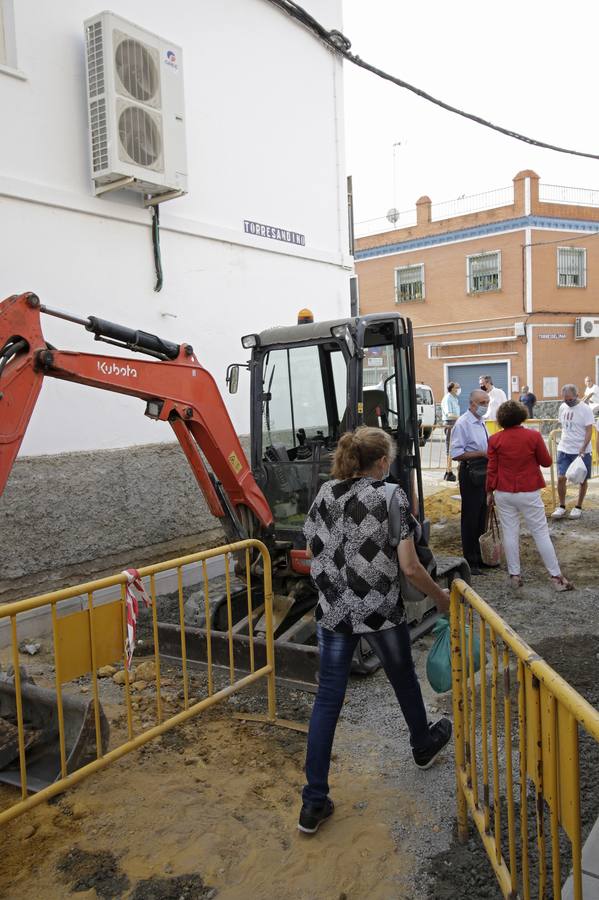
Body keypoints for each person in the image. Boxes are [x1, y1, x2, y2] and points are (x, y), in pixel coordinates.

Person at [298, 427, 452, 835]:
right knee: (403, 680)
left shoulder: (325, 493)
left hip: (334, 612)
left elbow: (312, 544)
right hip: (380, 611)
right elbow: (410, 566)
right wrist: (441, 598)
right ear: (382, 462)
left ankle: (313, 802)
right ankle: (422, 745)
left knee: (327, 701)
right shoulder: (390, 496)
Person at [486, 400, 573, 591]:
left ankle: (514, 576)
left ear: (501, 419)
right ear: (522, 415)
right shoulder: (533, 436)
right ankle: (556, 578)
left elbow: (491, 469)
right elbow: (546, 462)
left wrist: (489, 491)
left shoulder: (494, 440)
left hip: (503, 491)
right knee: (541, 533)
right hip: (528, 490)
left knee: (510, 533)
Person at [450, 389, 490, 576]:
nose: (485, 406)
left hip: (483, 471)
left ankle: (480, 555)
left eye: (487, 402)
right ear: (472, 403)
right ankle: (470, 559)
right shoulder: (463, 423)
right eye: (482, 403)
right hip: (471, 471)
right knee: (471, 517)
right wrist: (482, 454)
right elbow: (457, 453)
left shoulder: (481, 422)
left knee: (482, 514)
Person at [551, 384, 595, 519]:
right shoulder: (563, 407)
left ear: (577, 395)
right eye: (565, 399)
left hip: (582, 451)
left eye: (570, 399)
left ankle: (578, 506)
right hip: (564, 448)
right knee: (561, 478)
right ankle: (562, 506)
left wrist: (583, 446)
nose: (567, 402)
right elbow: (564, 426)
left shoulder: (585, 409)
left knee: (582, 479)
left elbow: (589, 430)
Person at [440, 381, 461, 481]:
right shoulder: (448, 398)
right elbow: (449, 414)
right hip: (450, 422)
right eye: (457, 387)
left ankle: (450, 470)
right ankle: (448, 471)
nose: (459, 389)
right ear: (452, 388)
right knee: (449, 446)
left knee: (454, 445)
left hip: (454, 422)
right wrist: (461, 417)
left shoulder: (454, 398)